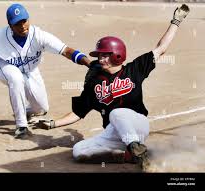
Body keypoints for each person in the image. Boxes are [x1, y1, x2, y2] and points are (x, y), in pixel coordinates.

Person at [35, 4, 190, 171]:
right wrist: (52, 124)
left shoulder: (134, 69)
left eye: (104, 55)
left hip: (137, 125)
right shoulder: (95, 83)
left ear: (117, 55)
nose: (100, 59)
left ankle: (137, 149)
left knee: (117, 113)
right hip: (113, 133)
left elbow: (160, 49)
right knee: (78, 150)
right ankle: (126, 155)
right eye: (99, 55)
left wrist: (175, 21)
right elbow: (78, 113)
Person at [0, 3, 90, 139]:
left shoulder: (39, 35)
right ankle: (21, 125)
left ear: (28, 19)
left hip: (31, 70)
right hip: (4, 67)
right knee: (15, 78)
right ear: (10, 24)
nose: (22, 26)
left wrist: (89, 63)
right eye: (17, 23)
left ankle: (23, 110)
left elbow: (66, 50)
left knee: (42, 109)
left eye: (24, 21)